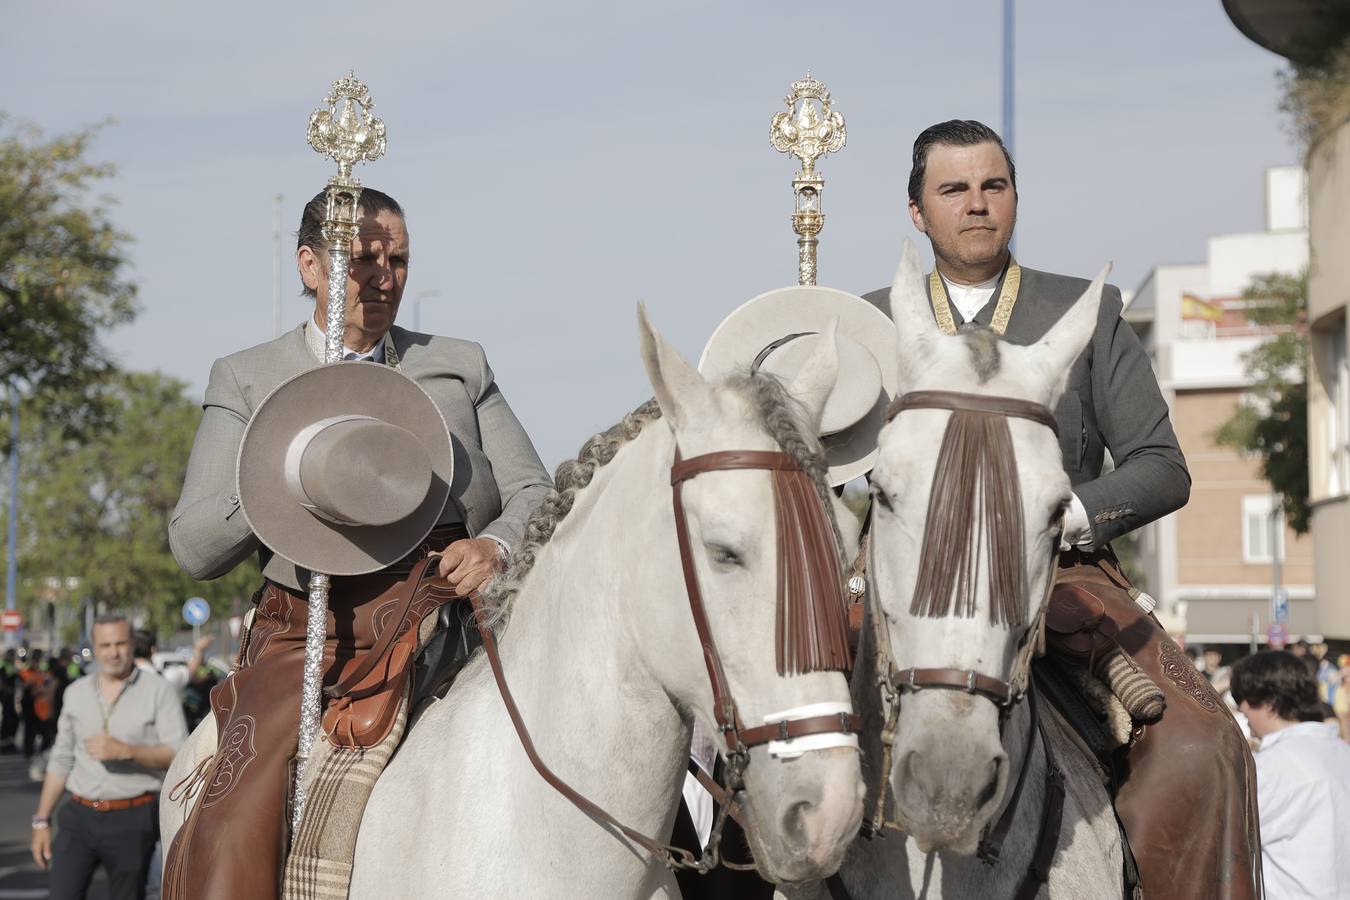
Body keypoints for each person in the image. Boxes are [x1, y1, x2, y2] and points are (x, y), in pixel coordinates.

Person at [861, 120, 1260, 898]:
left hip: (1065, 575)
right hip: (896, 577)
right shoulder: (868, 323)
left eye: (994, 186)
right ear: (916, 211)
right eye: (953, 190)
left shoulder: (1091, 311)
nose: (977, 205)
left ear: (1013, 198)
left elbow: (1160, 466)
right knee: (770, 734)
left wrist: (1061, 515)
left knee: (1203, 743)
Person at [160, 187, 552, 899]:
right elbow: (193, 547)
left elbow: (536, 491)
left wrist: (496, 546)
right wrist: (292, 470)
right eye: (361, 258)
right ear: (310, 265)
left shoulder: (460, 366)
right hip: (313, 628)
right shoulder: (247, 376)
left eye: (397, 259)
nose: (383, 275)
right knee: (236, 817)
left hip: (456, 616)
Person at [29, 614, 188, 900]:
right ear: (95, 646)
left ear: (132, 644)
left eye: (120, 644)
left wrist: (127, 751)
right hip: (79, 814)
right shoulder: (76, 693)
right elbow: (61, 759)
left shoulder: (158, 691)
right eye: (105, 645)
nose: (113, 652)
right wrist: (41, 820)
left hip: (132, 816)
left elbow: (178, 753)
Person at [1232, 651, 1350, 899]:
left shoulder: (1266, 769)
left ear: (1269, 704)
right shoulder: (1343, 753)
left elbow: (1227, 841)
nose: (1246, 721)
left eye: (1245, 711)